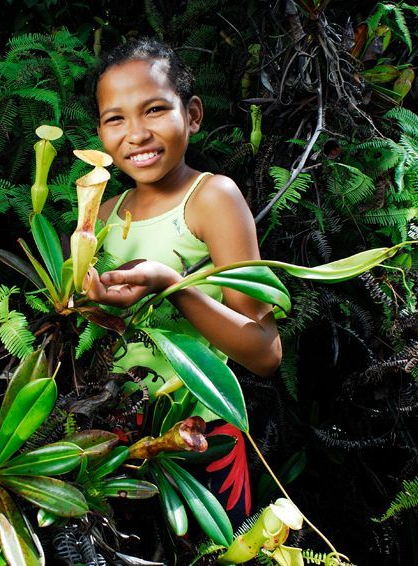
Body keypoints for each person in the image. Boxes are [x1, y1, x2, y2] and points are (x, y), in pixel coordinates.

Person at [84, 38, 282, 521]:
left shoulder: (212, 198)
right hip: (113, 438)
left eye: (154, 110)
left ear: (192, 114)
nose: (136, 134)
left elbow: (265, 352)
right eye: (116, 118)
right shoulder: (100, 211)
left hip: (199, 437)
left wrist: (170, 283)